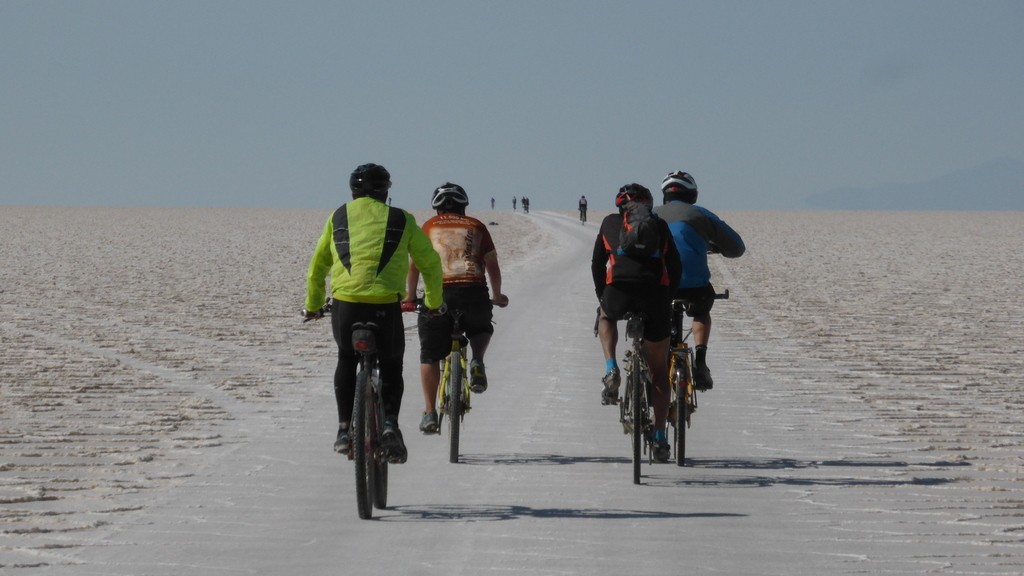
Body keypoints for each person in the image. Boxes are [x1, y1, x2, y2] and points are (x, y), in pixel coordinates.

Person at [303, 163, 444, 463]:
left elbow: (317, 268)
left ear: (352, 190)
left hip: (346, 304)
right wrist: (432, 302)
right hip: (384, 305)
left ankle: (343, 431)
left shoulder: (337, 216)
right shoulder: (401, 219)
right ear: (386, 191)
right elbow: (430, 263)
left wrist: (314, 305)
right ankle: (390, 423)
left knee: (345, 357)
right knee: (392, 363)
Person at [405, 183, 510, 434]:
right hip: (473, 292)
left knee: (429, 353)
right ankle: (477, 361)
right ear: (464, 206)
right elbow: (492, 266)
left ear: (437, 208)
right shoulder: (477, 226)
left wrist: (409, 297)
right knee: (481, 326)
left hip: (438, 295)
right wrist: (497, 295)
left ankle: (430, 412)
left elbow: (414, 266)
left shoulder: (428, 227)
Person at [591, 183, 680, 462]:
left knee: (605, 317)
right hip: (655, 296)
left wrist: (602, 296)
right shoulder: (660, 226)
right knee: (659, 371)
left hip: (618, 292)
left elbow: (596, 264)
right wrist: (668, 298)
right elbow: (675, 265)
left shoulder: (609, 223)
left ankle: (611, 367)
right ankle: (660, 435)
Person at [654, 171, 745, 391]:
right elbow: (737, 248)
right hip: (693, 288)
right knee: (701, 310)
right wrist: (716, 247)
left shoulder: (651, 215)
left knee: (655, 314)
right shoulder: (701, 215)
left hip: (659, 286)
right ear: (692, 195)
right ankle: (701, 361)